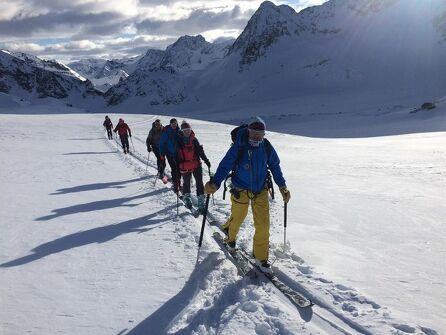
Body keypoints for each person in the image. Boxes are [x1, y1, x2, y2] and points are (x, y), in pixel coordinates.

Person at [204, 117, 291, 274]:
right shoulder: (239, 146)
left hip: (261, 190)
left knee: (263, 225)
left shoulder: (266, 147)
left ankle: (261, 258)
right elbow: (226, 164)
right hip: (240, 188)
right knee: (238, 217)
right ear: (248, 132)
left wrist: (282, 186)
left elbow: (275, 167)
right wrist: (215, 182)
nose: (256, 137)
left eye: (260, 134)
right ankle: (230, 239)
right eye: (253, 133)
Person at [176, 121, 211, 213]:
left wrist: (206, 160)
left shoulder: (194, 140)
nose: (187, 132)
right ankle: (187, 198)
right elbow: (176, 155)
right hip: (185, 165)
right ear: (182, 131)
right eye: (185, 130)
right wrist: (177, 166)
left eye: (188, 130)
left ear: (190, 130)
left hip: (196, 164)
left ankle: (201, 202)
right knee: (186, 183)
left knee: (199, 183)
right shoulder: (179, 141)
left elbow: (200, 152)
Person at [159, 118, 182, 193]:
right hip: (170, 154)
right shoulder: (166, 133)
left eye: (175, 123)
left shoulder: (179, 131)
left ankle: (179, 182)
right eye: (172, 124)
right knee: (174, 169)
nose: (174, 125)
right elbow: (162, 143)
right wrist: (162, 154)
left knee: (179, 169)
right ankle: (176, 184)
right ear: (170, 124)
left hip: (178, 154)